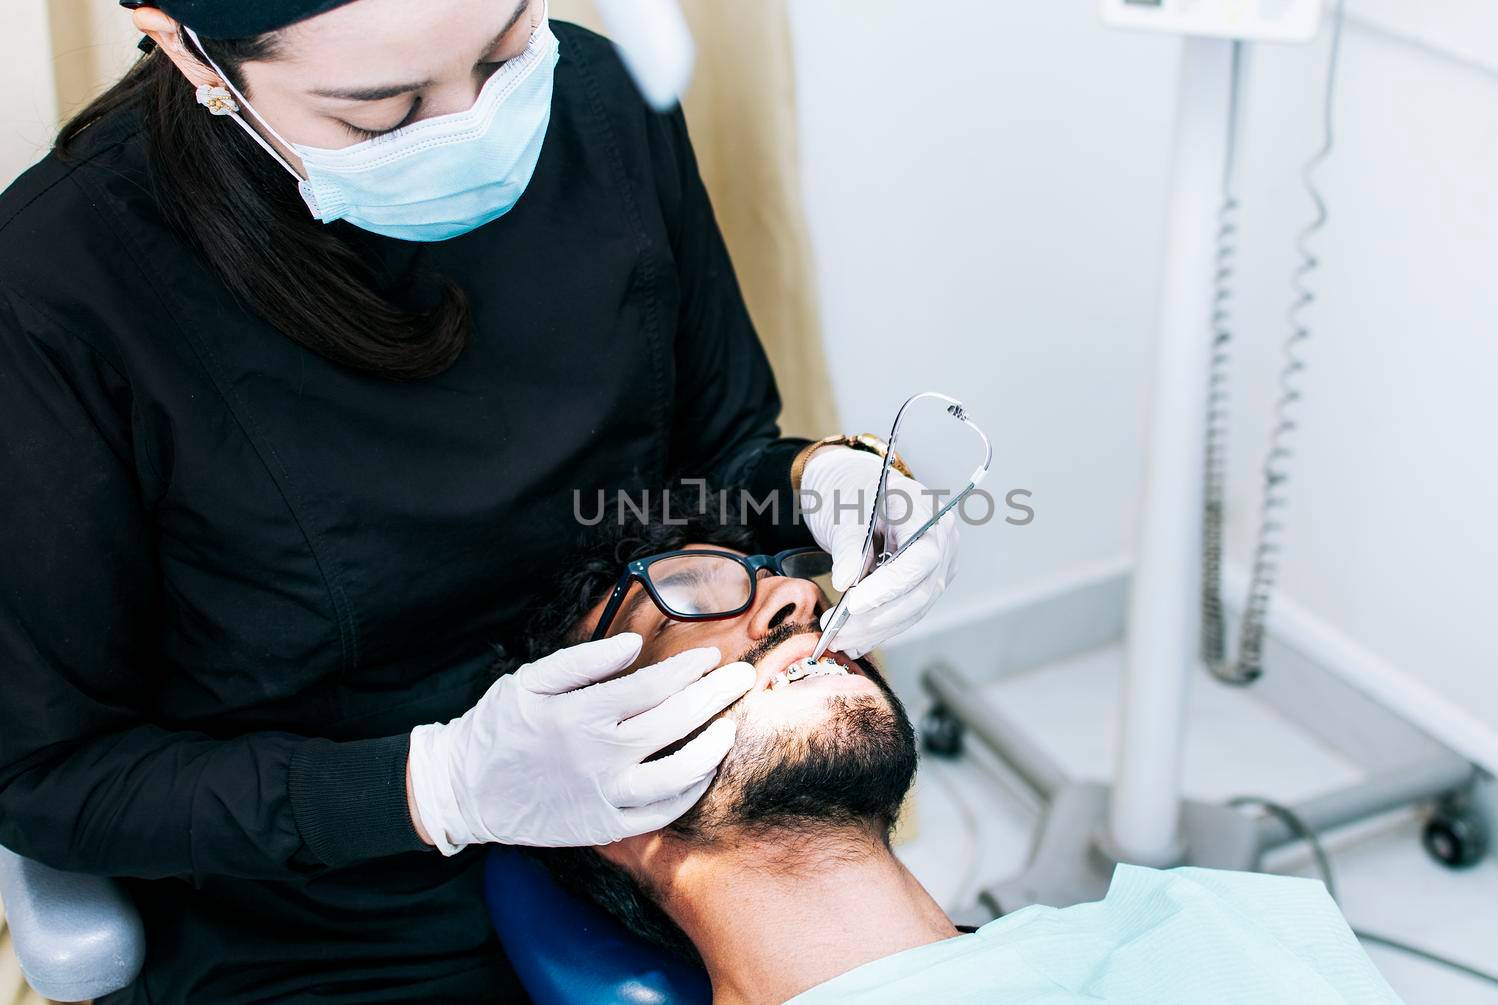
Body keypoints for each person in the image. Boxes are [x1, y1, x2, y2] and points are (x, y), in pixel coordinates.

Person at [0, 1, 957, 1000]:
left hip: (670, 823)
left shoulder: (597, 97)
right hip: (336, 917)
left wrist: (824, 485)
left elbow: (716, 457)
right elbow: (51, 777)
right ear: (187, 44)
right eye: (382, 112)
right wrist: (436, 786)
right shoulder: (56, 293)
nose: (477, 126)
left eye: (504, 50)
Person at [499, 506, 1406, 1005]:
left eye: (781, 575)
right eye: (690, 599)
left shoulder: (1200, 923)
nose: (789, 596)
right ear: (602, 799)